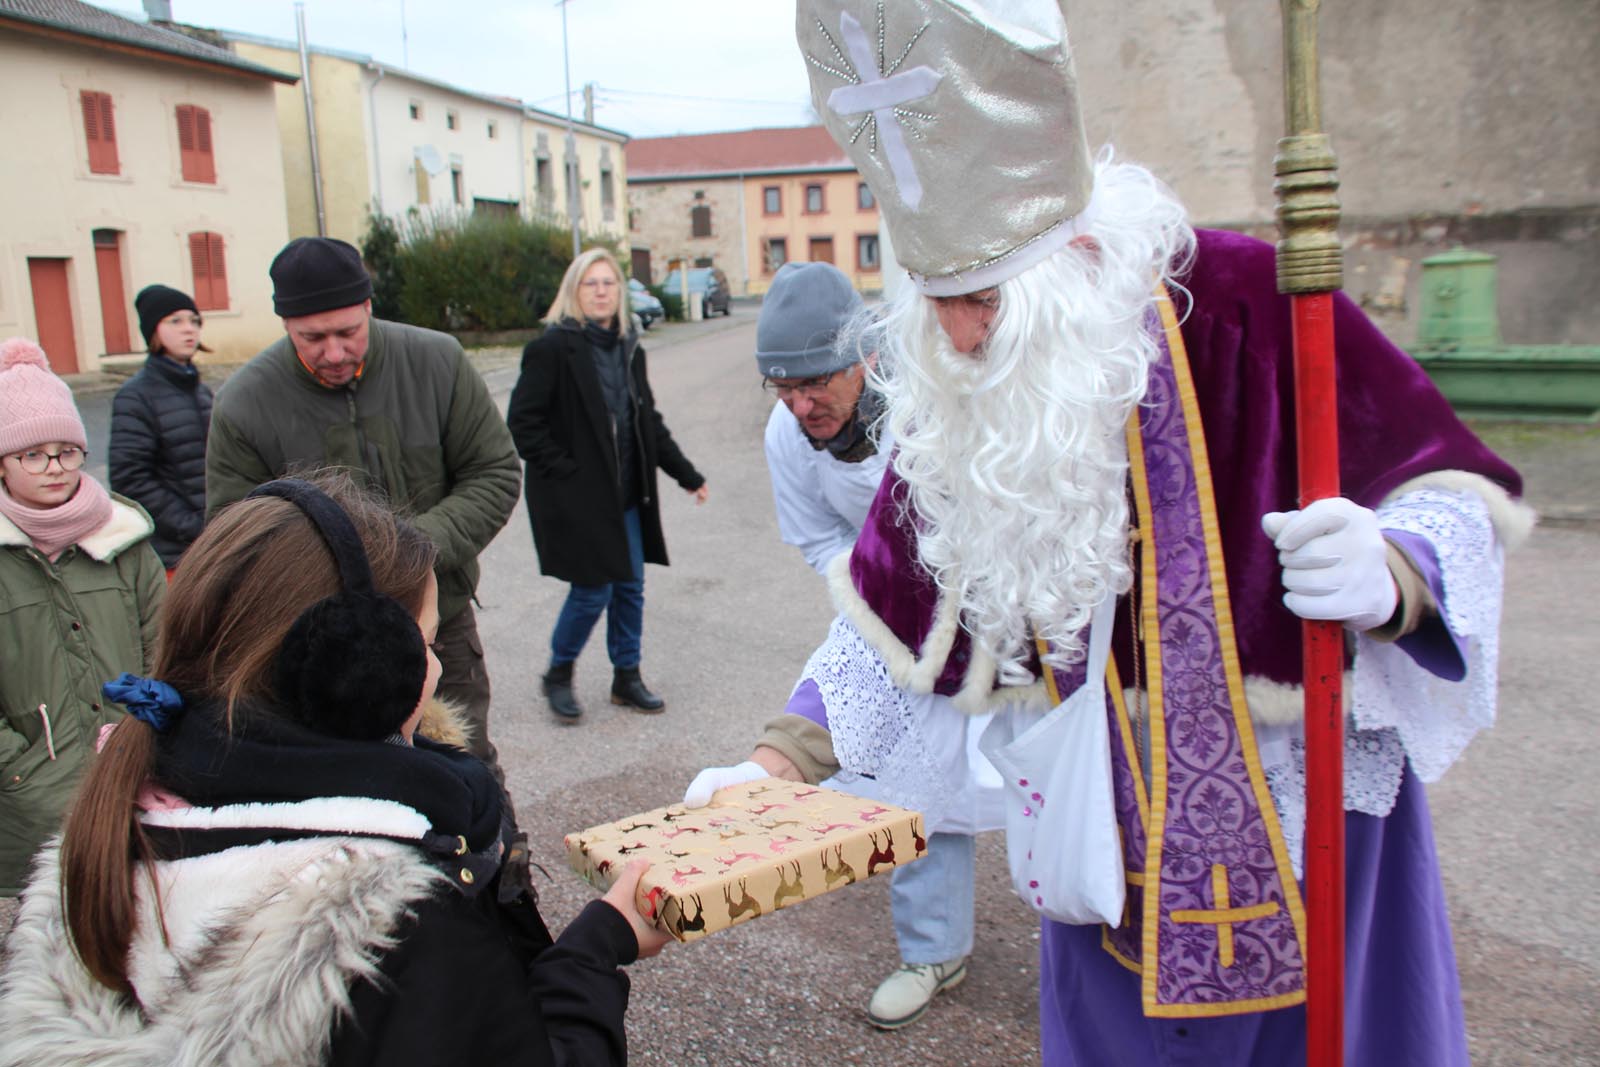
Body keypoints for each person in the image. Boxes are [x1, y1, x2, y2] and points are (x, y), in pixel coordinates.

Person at [691, 2, 1534, 1062]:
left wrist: (1396, 568)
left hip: (1311, 826)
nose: (958, 334)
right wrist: (775, 763)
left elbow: (1450, 485)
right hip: (1104, 836)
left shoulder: (1242, 298)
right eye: (935, 299)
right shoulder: (964, 392)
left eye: (982, 296)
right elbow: (897, 619)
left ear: (1075, 252)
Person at [0, 474, 669, 1066]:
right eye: (423, 645)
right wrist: (593, 952)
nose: (437, 668)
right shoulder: (389, 930)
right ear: (349, 673)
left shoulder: (99, 845)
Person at [751, 260, 999, 1028]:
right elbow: (816, 536)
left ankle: (1092, 923)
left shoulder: (929, 397)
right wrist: (876, 591)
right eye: (783, 388)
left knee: (1053, 766)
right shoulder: (787, 433)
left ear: (864, 357)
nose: (801, 405)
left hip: (991, 597)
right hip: (886, 607)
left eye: (815, 382)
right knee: (913, 775)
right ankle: (935, 949)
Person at [206, 236, 521, 807]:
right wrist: (342, 576)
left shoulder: (438, 362)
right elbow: (238, 535)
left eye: (347, 332)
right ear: (286, 325)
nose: (333, 352)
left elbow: (494, 472)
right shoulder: (244, 403)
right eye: (312, 338)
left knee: (465, 761)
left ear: (369, 307)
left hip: (438, 620)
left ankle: (496, 857)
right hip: (314, 642)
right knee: (342, 781)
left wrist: (408, 555)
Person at [507, 248, 707, 723]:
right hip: (582, 498)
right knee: (592, 591)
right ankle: (558, 673)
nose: (601, 291)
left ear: (620, 291)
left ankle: (626, 677)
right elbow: (523, 423)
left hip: (627, 493)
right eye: (591, 283)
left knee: (630, 587)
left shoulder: (628, 348)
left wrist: (686, 474)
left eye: (609, 283)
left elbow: (648, 421)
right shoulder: (552, 349)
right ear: (574, 291)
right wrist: (568, 473)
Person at [0, 337, 165, 898]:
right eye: (33, 454)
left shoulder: (125, 541)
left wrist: (146, 738)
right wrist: (21, 769)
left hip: (132, 781)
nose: (55, 468)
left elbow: (164, 648)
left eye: (67, 451)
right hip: (26, 805)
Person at [108, 284, 213, 573]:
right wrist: (190, 526)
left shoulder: (202, 392)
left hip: (212, 545)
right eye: (175, 321)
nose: (189, 329)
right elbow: (129, 479)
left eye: (194, 321)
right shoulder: (135, 396)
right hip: (173, 555)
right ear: (153, 330)